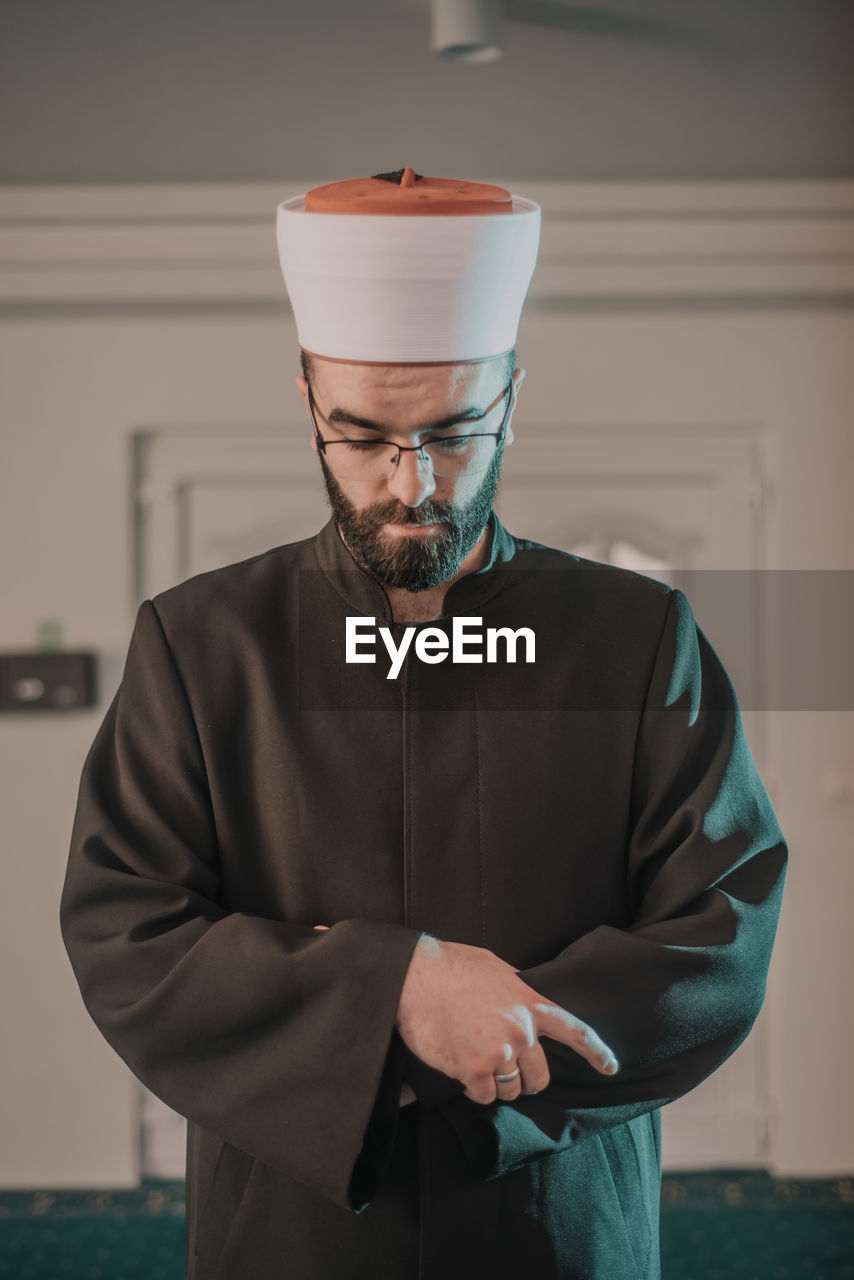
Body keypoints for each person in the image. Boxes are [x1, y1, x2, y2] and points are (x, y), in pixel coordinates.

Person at [59, 168, 788, 1280]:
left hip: (553, 1216)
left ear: (511, 396)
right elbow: (128, 933)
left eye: (455, 430)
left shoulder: (636, 635)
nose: (414, 483)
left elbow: (719, 927)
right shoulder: (201, 641)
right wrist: (396, 985)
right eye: (363, 437)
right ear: (306, 402)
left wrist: (472, 1042)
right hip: (292, 1227)